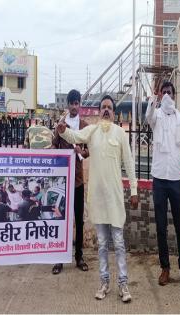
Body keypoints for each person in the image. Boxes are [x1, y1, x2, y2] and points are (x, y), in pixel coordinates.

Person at [56, 94, 138, 303]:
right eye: (103, 107)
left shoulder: (120, 134)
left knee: (118, 243)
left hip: (115, 198)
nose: (106, 110)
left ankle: (123, 284)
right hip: (98, 199)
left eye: (110, 107)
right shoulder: (91, 131)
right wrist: (64, 131)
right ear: (99, 111)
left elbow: (129, 164)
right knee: (102, 244)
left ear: (114, 112)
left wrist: (135, 191)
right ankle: (104, 283)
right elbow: (75, 136)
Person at [146, 80, 180, 286]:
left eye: (169, 92)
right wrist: (153, 99)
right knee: (161, 227)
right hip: (159, 178)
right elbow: (147, 116)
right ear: (160, 94)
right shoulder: (155, 115)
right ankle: (165, 268)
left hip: (176, 178)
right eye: (164, 92)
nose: (167, 95)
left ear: (174, 96)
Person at [51, 89, 90, 275]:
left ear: (79, 104)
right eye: (71, 103)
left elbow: (88, 150)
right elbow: (54, 145)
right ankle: (60, 258)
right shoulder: (61, 125)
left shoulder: (84, 125)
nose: (74, 106)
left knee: (79, 220)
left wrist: (81, 153)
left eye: (77, 103)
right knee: (63, 220)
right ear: (68, 104)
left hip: (78, 179)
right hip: (62, 181)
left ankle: (79, 256)